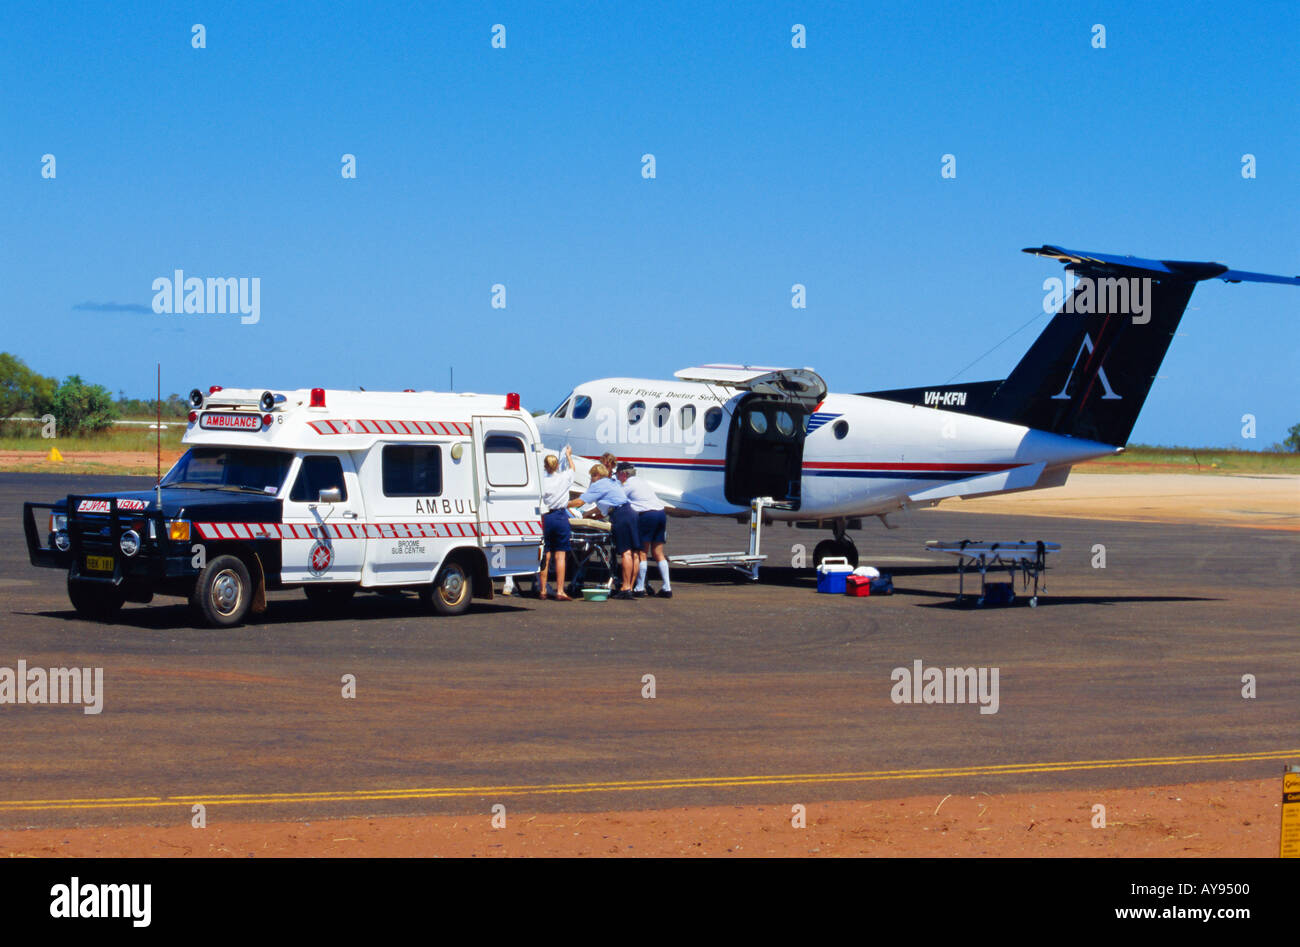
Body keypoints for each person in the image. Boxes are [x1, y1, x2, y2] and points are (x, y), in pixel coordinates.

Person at [568, 463, 639, 599]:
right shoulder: (612, 482)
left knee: (625, 553)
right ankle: (628, 586)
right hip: (630, 513)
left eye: (592, 476)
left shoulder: (599, 484)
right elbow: (604, 509)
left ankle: (625, 588)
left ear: (597, 475)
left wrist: (562, 504)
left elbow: (579, 502)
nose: (591, 480)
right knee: (632, 552)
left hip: (621, 515)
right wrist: (588, 515)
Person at [615, 462, 671, 598]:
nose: (616, 477)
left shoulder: (627, 485)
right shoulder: (642, 481)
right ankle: (667, 587)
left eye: (617, 474)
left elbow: (616, 500)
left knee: (642, 552)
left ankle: (639, 587)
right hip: (660, 513)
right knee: (658, 552)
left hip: (647, 515)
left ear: (623, 474)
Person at [537, 445, 575, 600]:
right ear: (557, 465)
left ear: (545, 466)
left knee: (545, 554)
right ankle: (560, 590)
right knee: (560, 555)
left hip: (546, 516)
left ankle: (543, 590)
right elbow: (572, 468)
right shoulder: (564, 477)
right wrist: (568, 455)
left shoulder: (542, 482)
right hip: (560, 516)